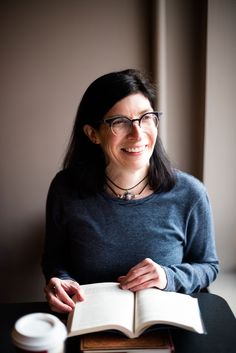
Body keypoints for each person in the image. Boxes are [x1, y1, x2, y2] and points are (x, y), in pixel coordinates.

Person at [42, 69, 219, 313]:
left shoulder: (191, 193)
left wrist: (168, 276)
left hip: (169, 325)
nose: (138, 134)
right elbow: (54, 260)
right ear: (93, 134)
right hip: (91, 321)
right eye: (120, 122)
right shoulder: (65, 189)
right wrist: (59, 281)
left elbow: (208, 266)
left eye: (146, 117)